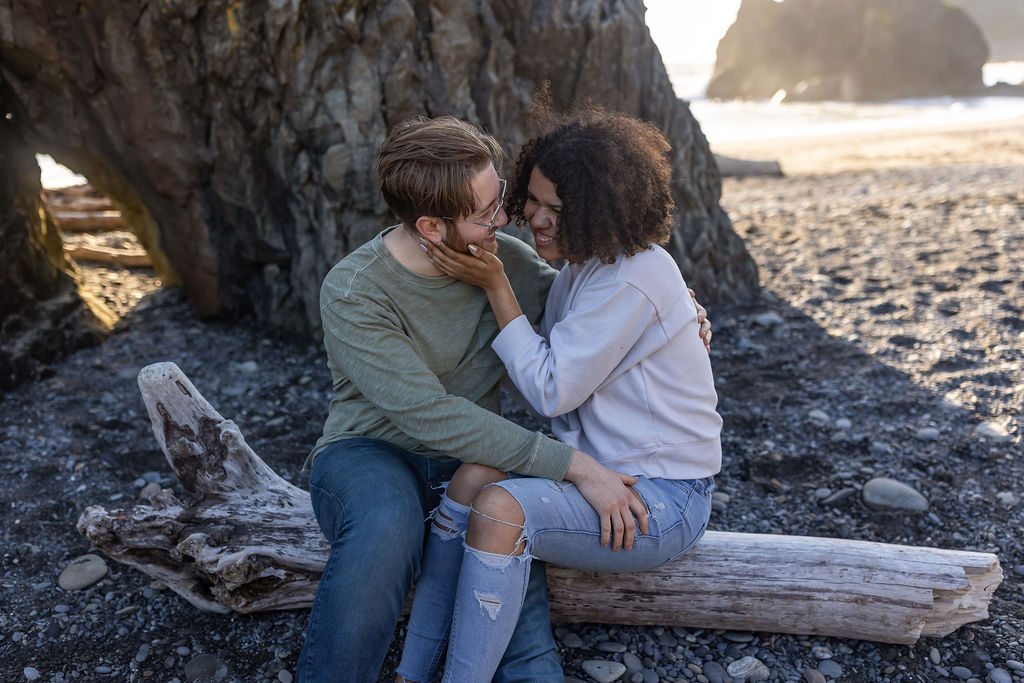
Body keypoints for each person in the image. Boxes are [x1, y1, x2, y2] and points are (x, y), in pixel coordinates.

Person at [295, 115, 711, 683]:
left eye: (501, 200)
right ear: (431, 227)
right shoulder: (354, 290)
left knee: (517, 608)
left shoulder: (507, 261)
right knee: (385, 525)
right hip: (372, 453)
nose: (505, 220)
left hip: (477, 464)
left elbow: (600, 310)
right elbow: (428, 415)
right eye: (485, 212)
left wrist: (682, 310)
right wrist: (575, 467)